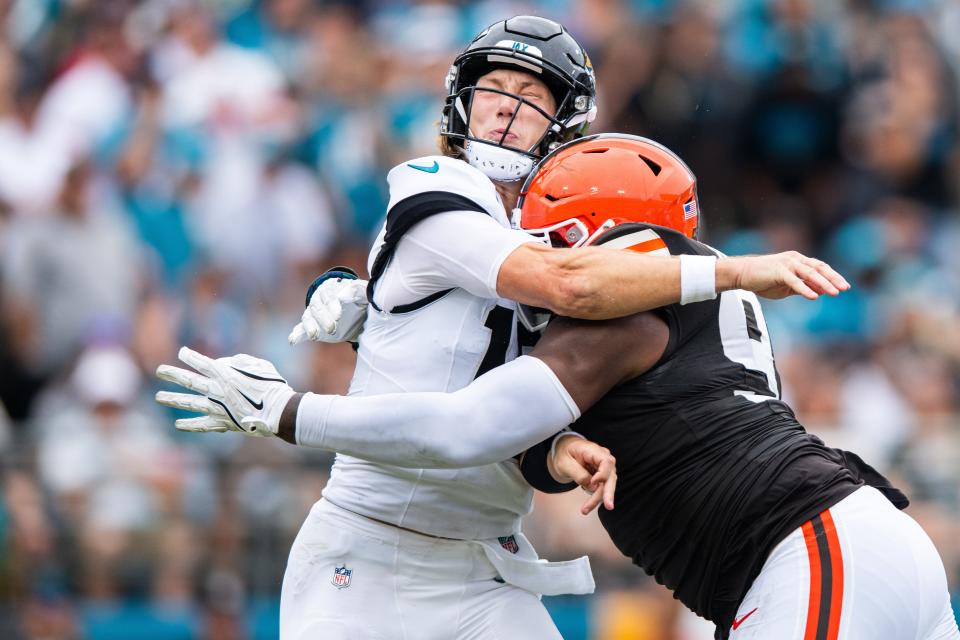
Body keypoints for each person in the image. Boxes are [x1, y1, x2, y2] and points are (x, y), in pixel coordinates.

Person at [157, 16, 849, 640]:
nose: (509, 110)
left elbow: (501, 401)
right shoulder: (439, 184)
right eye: (496, 89)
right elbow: (557, 284)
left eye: (534, 96)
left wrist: (555, 451)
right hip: (364, 549)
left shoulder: (563, 233)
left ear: (565, 122)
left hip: (485, 564)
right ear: (462, 100)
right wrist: (726, 271)